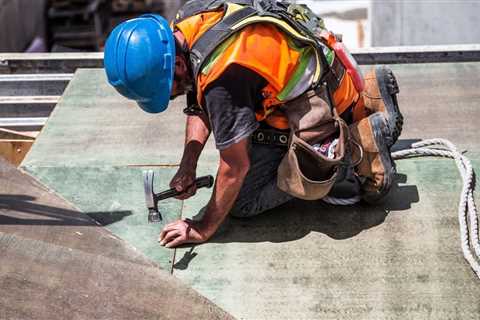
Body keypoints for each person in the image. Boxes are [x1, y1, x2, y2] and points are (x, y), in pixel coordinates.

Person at [104, 0, 403, 248]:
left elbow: (235, 166)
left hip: (322, 106)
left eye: (165, 91)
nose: (169, 99)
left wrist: (203, 227)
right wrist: (188, 164)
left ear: (178, 65)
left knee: (243, 202)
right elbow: (198, 98)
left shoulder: (224, 79)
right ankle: (370, 96)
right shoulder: (187, 21)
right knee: (237, 132)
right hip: (327, 73)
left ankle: (356, 146)